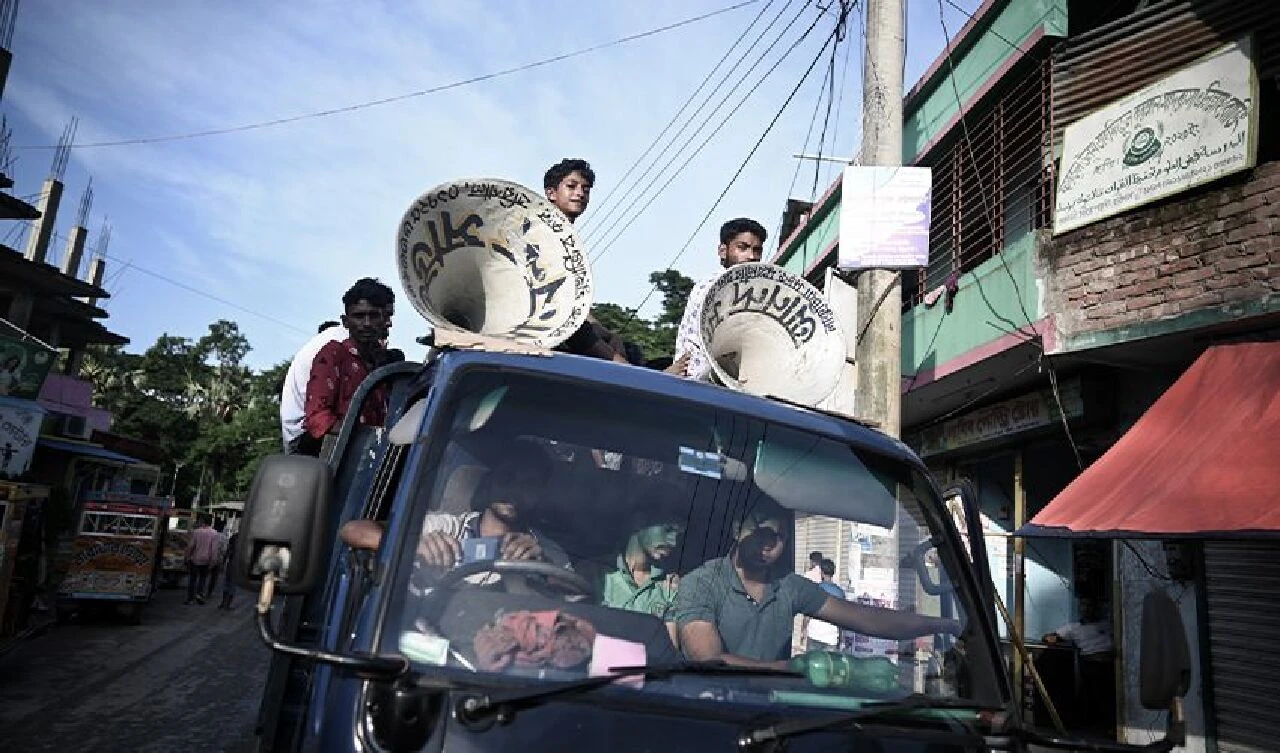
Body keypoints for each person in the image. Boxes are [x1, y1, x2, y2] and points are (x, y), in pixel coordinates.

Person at [671, 510, 961, 668]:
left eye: (779, 537)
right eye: (761, 533)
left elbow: (866, 618)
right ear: (738, 530)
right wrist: (790, 670)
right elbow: (709, 662)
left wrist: (945, 624)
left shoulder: (789, 586)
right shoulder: (703, 582)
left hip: (772, 714)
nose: (769, 545)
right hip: (712, 712)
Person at [540, 158, 630, 366]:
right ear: (551, 193)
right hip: (549, 324)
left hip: (567, 319)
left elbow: (577, 305)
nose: (580, 193)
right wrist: (612, 357)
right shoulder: (542, 233)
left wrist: (603, 333)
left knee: (615, 340)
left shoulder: (569, 238)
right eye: (571, 186)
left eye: (586, 189)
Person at [303, 278, 396, 449]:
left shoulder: (386, 364)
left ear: (384, 320)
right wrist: (365, 437)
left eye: (374, 316)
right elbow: (317, 417)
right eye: (359, 316)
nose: (366, 324)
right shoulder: (334, 354)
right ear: (346, 322)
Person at [671, 218, 767, 380]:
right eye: (742, 248)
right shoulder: (708, 286)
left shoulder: (760, 291)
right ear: (723, 251)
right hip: (697, 381)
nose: (751, 256)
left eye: (757, 250)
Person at [600, 509, 685, 647]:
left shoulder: (669, 586)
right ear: (638, 523)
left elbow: (669, 652)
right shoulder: (597, 574)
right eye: (668, 529)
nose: (674, 542)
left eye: (679, 535)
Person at [281, 321, 348, 454]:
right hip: (307, 436)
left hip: (296, 435)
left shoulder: (325, 342)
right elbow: (319, 419)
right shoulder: (338, 346)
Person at [800, 558, 845, 652]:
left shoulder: (816, 589)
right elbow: (842, 618)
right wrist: (841, 638)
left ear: (822, 572)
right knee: (829, 666)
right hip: (831, 637)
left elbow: (808, 614)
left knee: (811, 664)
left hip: (814, 634)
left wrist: (803, 629)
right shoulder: (840, 593)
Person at [184, 515, 220, 605]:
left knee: (192, 579)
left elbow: (191, 546)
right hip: (206, 560)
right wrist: (213, 562)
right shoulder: (214, 533)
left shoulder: (196, 532)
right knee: (203, 579)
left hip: (195, 559)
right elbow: (214, 549)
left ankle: (190, 598)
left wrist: (187, 557)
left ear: (202, 521)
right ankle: (199, 595)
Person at [217, 529, 238, 610]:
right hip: (237, 564)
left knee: (227, 583)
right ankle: (227, 604)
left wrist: (223, 562)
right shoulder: (243, 538)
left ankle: (223, 602)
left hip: (231, 562)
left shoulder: (234, 537)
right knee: (232, 584)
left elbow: (228, 550)